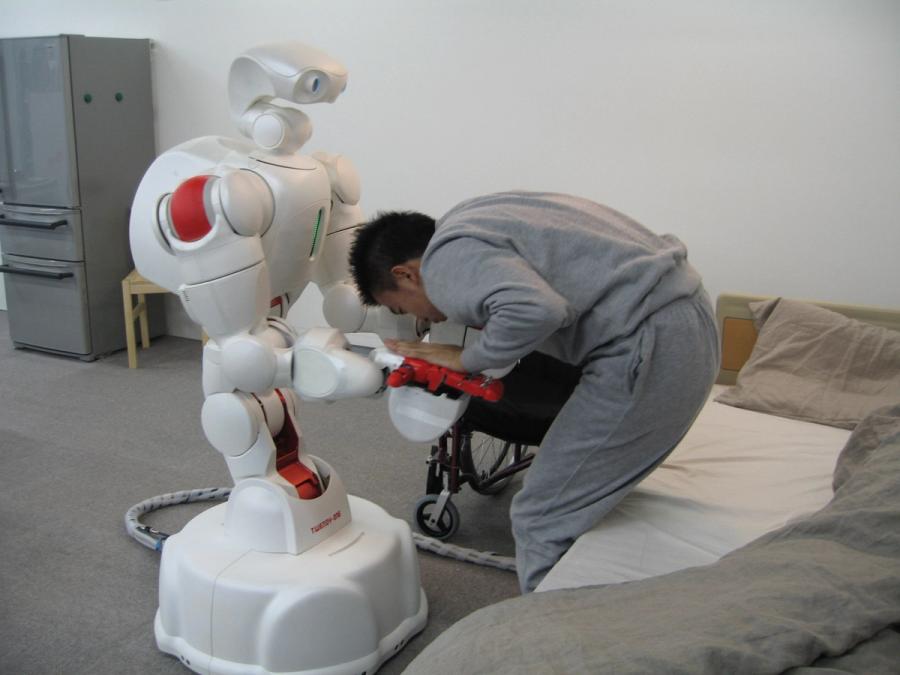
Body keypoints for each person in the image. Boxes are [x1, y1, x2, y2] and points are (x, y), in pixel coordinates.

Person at [349, 191, 720, 592]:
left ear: (406, 275)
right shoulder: (471, 218)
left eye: (402, 308)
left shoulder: (442, 262)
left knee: (539, 515)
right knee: (573, 498)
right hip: (686, 317)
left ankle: (554, 625)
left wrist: (466, 358)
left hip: (652, 344)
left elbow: (537, 310)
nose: (419, 318)